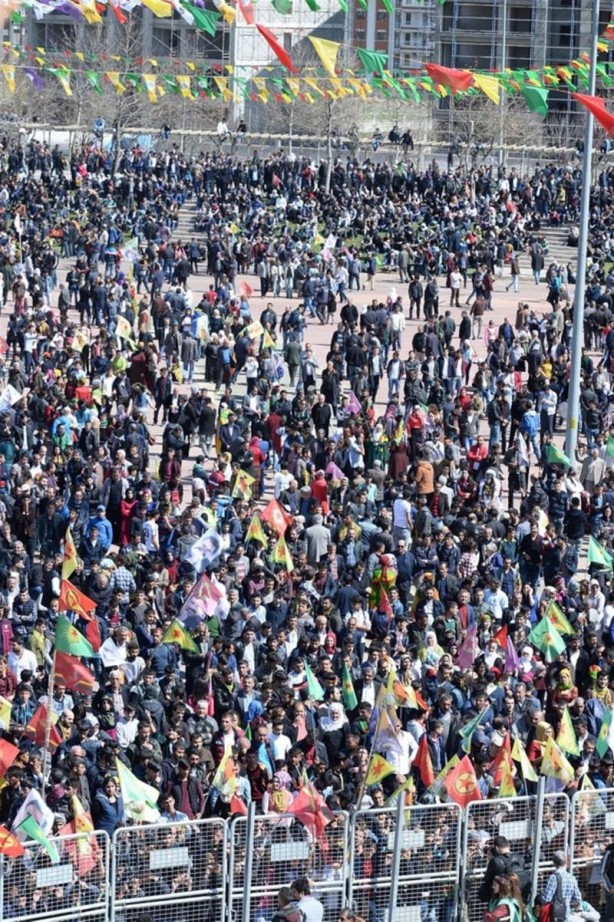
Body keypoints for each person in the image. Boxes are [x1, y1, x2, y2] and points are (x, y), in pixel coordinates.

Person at [542, 852, 582, 921]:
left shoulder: (553, 877)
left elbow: (546, 899)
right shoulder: (572, 878)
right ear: (566, 861)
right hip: (567, 915)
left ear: (554, 862)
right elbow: (578, 899)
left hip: (554, 916)